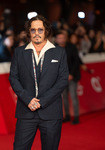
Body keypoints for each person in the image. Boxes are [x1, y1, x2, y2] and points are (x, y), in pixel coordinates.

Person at [9, 15, 69, 150]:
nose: (36, 33)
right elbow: (13, 77)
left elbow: (62, 79)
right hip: (26, 111)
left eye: (40, 30)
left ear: (46, 31)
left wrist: (42, 101)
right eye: (33, 30)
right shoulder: (19, 52)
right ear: (29, 32)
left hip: (51, 112)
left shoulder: (59, 52)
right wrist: (28, 99)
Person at [55, 30, 83, 125]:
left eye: (62, 37)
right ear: (56, 39)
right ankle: (67, 115)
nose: (61, 39)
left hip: (72, 76)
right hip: (61, 78)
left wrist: (71, 74)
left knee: (73, 96)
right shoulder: (54, 49)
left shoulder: (72, 47)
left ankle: (76, 116)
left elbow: (76, 62)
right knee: (64, 97)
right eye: (59, 38)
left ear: (65, 38)